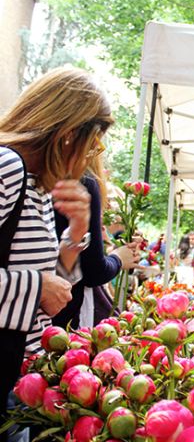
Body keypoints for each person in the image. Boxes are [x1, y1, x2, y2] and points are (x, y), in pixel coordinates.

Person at [0, 67, 111, 432]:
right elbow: (38, 287)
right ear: (67, 135)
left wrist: (76, 235)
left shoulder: (41, 186)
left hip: (17, 375)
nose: (93, 156)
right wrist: (36, 286)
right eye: (93, 143)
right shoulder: (7, 169)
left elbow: (53, 295)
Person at [53, 161, 140, 329]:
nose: (109, 207)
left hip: (52, 313)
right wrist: (118, 259)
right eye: (109, 203)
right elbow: (94, 271)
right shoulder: (84, 180)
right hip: (60, 318)